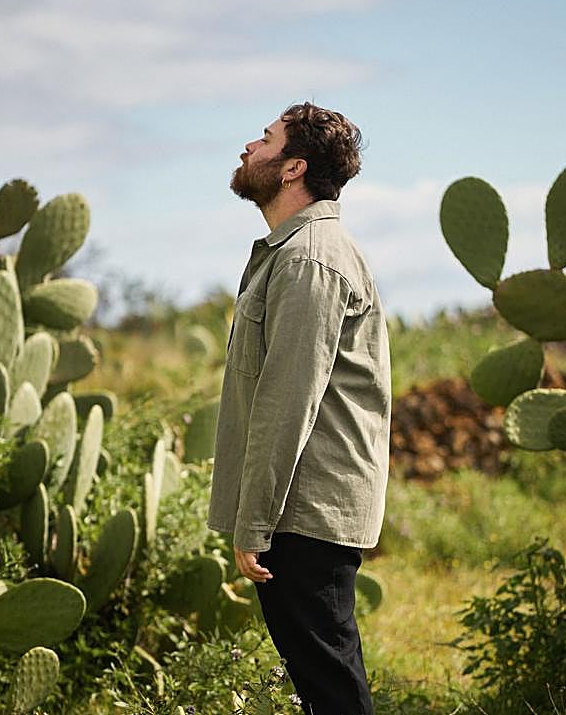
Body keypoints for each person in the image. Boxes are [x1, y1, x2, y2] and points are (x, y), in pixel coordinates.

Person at [206, 102, 391, 715]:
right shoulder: (295, 251)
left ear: (294, 168)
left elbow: (288, 401)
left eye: (264, 140)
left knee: (332, 689)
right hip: (300, 509)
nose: (247, 149)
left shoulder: (310, 258)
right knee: (324, 686)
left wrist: (253, 522)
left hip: (304, 513)